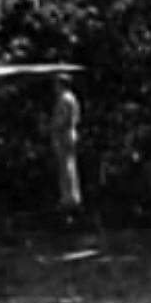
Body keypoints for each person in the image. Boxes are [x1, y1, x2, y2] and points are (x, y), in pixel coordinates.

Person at [50, 77, 83, 217]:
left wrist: (53, 127)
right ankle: (72, 197)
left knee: (66, 167)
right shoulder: (72, 99)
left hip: (65, 134)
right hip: (69, 133)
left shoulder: (65, 99)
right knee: (69, 166)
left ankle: (69, 199)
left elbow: (63, 118)